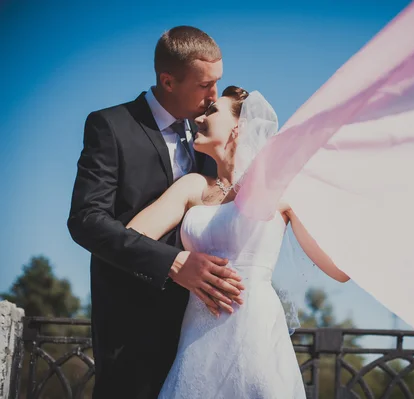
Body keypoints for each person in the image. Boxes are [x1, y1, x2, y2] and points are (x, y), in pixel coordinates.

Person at [126, 86, 349, 399]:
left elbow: (339, 270)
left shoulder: (279, 190)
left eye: (212, 111)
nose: (199, 118)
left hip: (254, 333)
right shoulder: (192, 187)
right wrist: (178, 266)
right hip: (196, 335)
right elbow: (131, 237)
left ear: (238, 126)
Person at [67, 26, 245, 398]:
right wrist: (172, 263)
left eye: (218, 82)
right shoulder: (111, 127)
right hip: (132, 325)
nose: (214, 96)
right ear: (167, 80)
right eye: (204, 85)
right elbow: (87, 222)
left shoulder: (210, 139)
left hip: (203, 324)